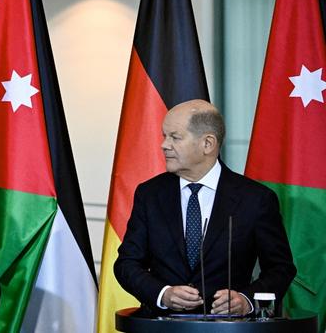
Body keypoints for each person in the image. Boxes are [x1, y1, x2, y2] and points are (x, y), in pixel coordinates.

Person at [114, 99, 296, 316]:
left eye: (175, 137)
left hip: (228, 328)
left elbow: (281, 268)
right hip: (162, 325)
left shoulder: (255, 199)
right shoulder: (150, 194)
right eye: (164, 136)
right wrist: (163, 294)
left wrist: (245, 300)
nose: (164, 145)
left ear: (207, 144)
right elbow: (127, 263)